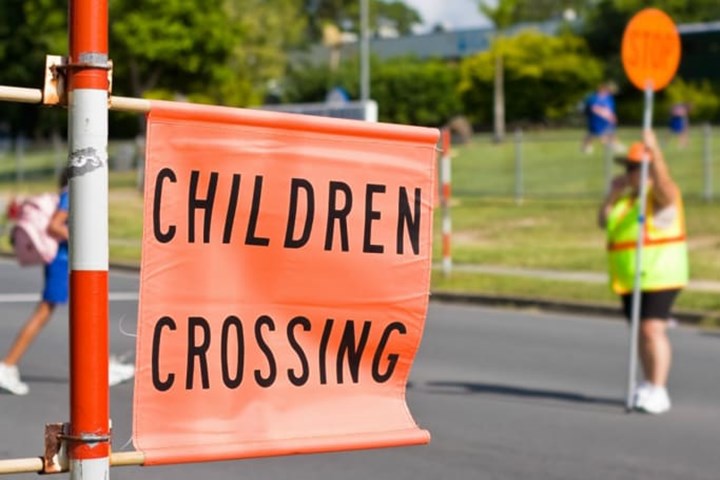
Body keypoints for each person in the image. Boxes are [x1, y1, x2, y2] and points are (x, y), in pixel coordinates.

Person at [0, 168, 135, 395]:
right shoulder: (72, 195)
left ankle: (103, 366)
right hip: (63, 261)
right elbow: (54, 225)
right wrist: (85, 239)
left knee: (89, 311)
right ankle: (8, 365)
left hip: (66, 261)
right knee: (46, 311)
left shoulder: (69, 194)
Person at [598, 129, 688, 415]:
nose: (629, 172)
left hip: (660, 274)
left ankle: (659, 389)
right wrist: (612, 194)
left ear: (646, 170)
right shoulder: (626, 201)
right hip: (629, 279)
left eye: (635, 167)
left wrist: (655, 153)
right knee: (641, 332)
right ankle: (649, 384)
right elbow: (603, 221)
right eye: (627, 167)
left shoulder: (659, 198)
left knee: (651, 329)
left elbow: (666, 187)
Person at [582, 82, 622, 154]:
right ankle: (587, 146)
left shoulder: (609, 98)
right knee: (594, 134)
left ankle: (615, 145)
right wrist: (605, 115)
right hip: (596, 119)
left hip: (607, 120)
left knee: (611, 132)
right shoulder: (594, 97)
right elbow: (594, 108)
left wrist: (612, 116)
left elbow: (610, 109)